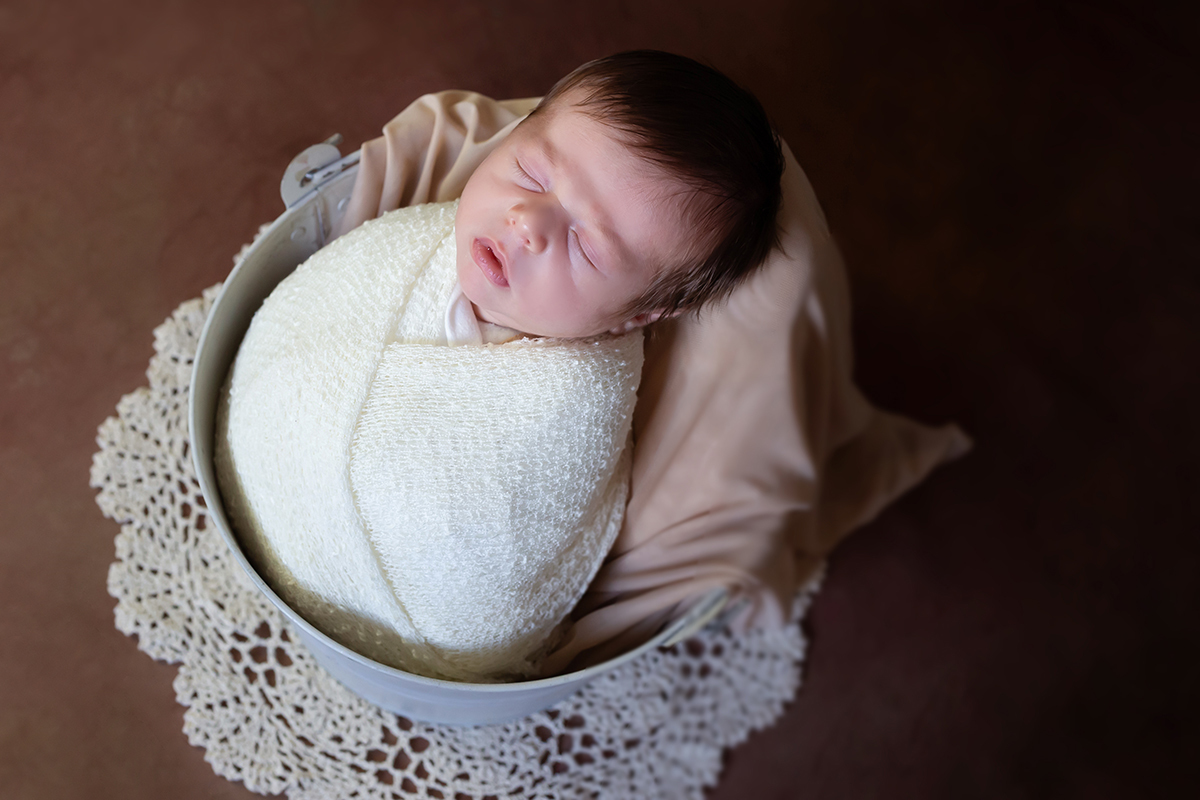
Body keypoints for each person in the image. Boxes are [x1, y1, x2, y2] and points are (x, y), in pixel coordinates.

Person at [451, 49, 784, 340]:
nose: (528, 222)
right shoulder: (436, 176)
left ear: (639, 315)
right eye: (530, 175)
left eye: (584, 248)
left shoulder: (564, 390)